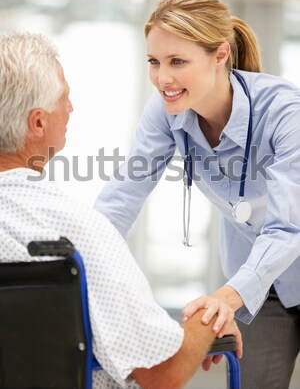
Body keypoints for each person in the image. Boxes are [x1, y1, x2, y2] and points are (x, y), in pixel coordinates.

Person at [0, 31, 242, 389]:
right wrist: (208, 318)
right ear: (37, 122)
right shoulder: (70, 231)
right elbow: (162, 371)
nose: (71, 108)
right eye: (65, 98)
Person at [95, 0, 300, 389]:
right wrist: (78, 268)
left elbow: (288, 227)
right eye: (154, 62)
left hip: (250, 280)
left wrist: (226, 296)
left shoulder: (285, 112)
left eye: (177, 61)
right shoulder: (167, 110)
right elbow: (122, 196)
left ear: (220, 55)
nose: (163, 78)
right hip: (260, 288)